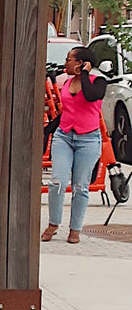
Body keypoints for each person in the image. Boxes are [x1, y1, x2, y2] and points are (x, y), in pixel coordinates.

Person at [42, 45, 107, 245]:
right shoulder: (67, 82)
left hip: (88, 139)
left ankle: (75, 228)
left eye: (69, 59)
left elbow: (90, 96)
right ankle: (53, 223)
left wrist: (85, 74)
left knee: (80, 186)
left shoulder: (98, 82)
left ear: (81, 63)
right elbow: (67, 111)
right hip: (65, 136)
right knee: (57, 181)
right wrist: (48, 129)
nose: (65, 63)